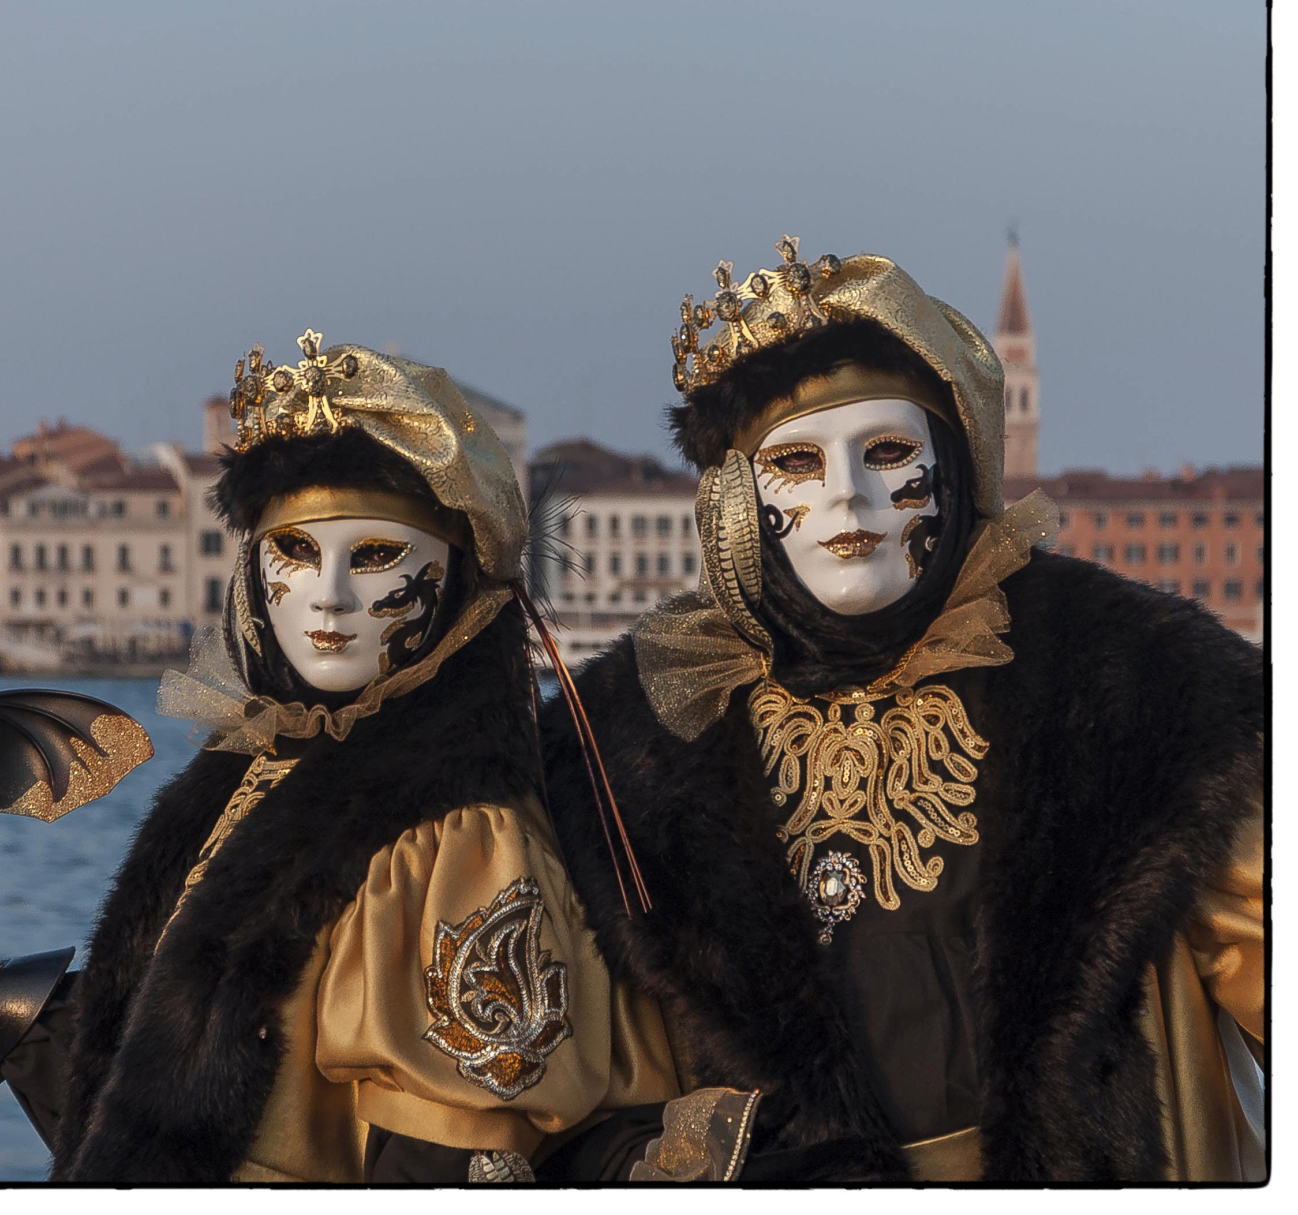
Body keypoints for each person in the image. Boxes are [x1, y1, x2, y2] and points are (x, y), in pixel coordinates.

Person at [536, 238, 1264, 1182]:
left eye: (888, 452)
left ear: (955, 472)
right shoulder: (625, 749)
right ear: (736, 505)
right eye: (798, 462)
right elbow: (590, 1098)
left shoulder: (1135, 689)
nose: (851, 494)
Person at [22, 330, 633, 1182]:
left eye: (377, 556)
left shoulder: (460, 839)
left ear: (455, 586)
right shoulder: (257, 770)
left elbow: (444, 1159)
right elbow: (175, 1080)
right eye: (296, 552)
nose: (330, 597)